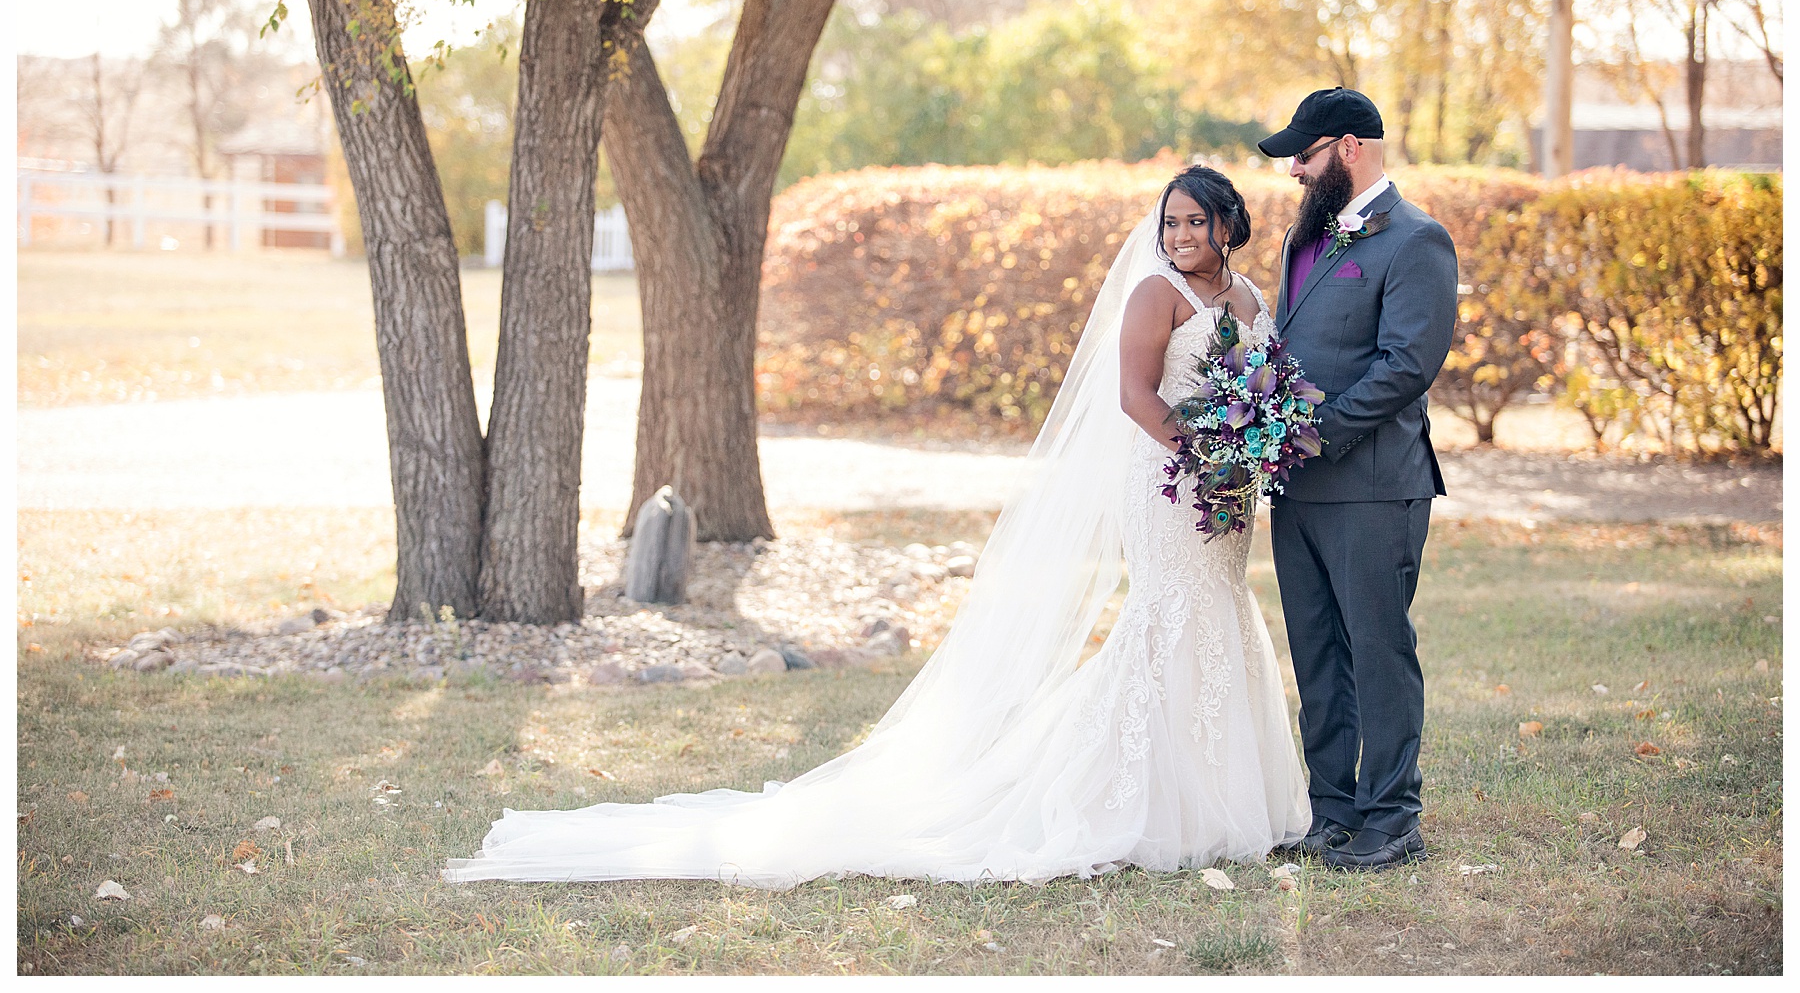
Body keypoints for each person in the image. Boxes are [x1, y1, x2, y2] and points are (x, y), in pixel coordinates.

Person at [443, 167, 1308, 886]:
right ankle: (1123, 794)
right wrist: (1204, 454)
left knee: (1220, 611)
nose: (1182, 233)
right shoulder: (1154, 293)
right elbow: (1134, 398)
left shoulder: (1247, 293)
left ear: (1228, 223)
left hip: (1228, 492)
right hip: (1169, 481)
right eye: (1171, 221)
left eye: (1197, 220)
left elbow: (1256, 383)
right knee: (1167, 618)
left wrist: (1249, 451)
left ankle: (1217, 792)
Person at [1257, 88, 1459, 871]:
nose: (1295, 175)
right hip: (1295, 487)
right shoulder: (1300, 243)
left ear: (1346, 149)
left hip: (1376, 485)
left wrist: (1316, 432)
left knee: (1378, 649)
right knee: (1315, 652)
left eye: (1302, 158)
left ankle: (1392, 817)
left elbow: (1407, 365)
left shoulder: (1418, 241)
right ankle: (1332, 812)